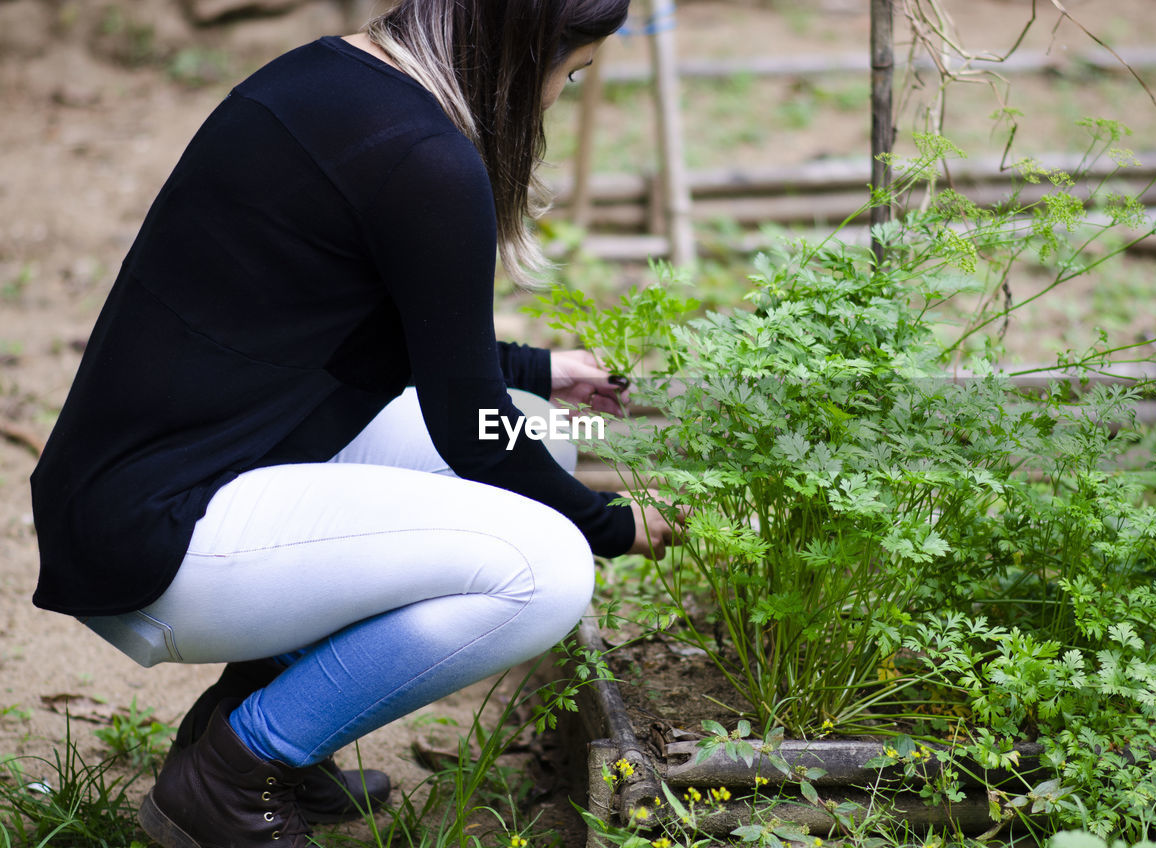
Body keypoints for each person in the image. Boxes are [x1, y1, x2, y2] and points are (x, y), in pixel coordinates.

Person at [28, 1, 679, 845]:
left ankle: (253, 723)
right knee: (547, 568)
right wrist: (607, 525)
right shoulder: (428, 161)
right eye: (573, 71)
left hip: (142, 481)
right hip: (162, 538)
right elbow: (471, 428)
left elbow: (362, 337)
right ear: (525, 54)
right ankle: (234, 772)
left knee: (536, 425)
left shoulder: (334, 81)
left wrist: (538, 371)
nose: (559, 96)